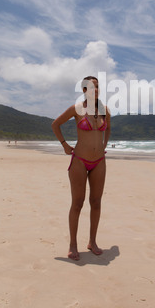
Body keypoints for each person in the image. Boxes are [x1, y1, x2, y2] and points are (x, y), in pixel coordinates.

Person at [51, 76, 111, 261]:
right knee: (77, 203)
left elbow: (108, 129)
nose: (95, 90)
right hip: (79, 161)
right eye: (91, 87)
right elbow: (55, 124)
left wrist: (104, 145)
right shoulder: (76, 109)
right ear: (84, 90)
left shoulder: (104, 111)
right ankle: (73, 244)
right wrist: (64, 145)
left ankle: (92, 242)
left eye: (98, 87)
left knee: (96, 202)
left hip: (99, 161)